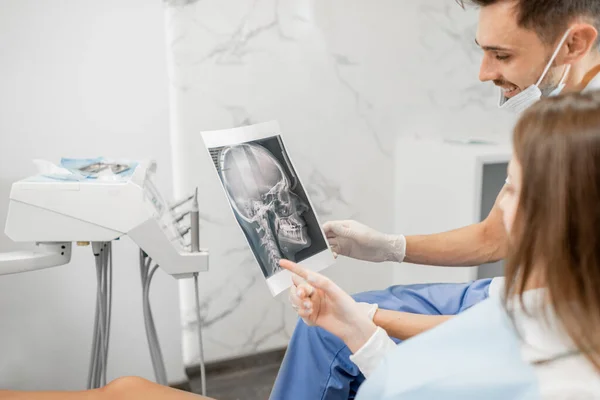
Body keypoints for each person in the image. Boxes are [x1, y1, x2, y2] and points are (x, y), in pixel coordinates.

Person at [269, 0, 600, 398]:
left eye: (502, 55)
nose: (484, 72)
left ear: (574, 44)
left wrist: (366, 324)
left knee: (326, 335)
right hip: (503, 300)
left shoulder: (584, 141)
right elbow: (494, 238)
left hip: (526, 318)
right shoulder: (559, 113)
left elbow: (519, 331)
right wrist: (389, 247)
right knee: (330, 327)